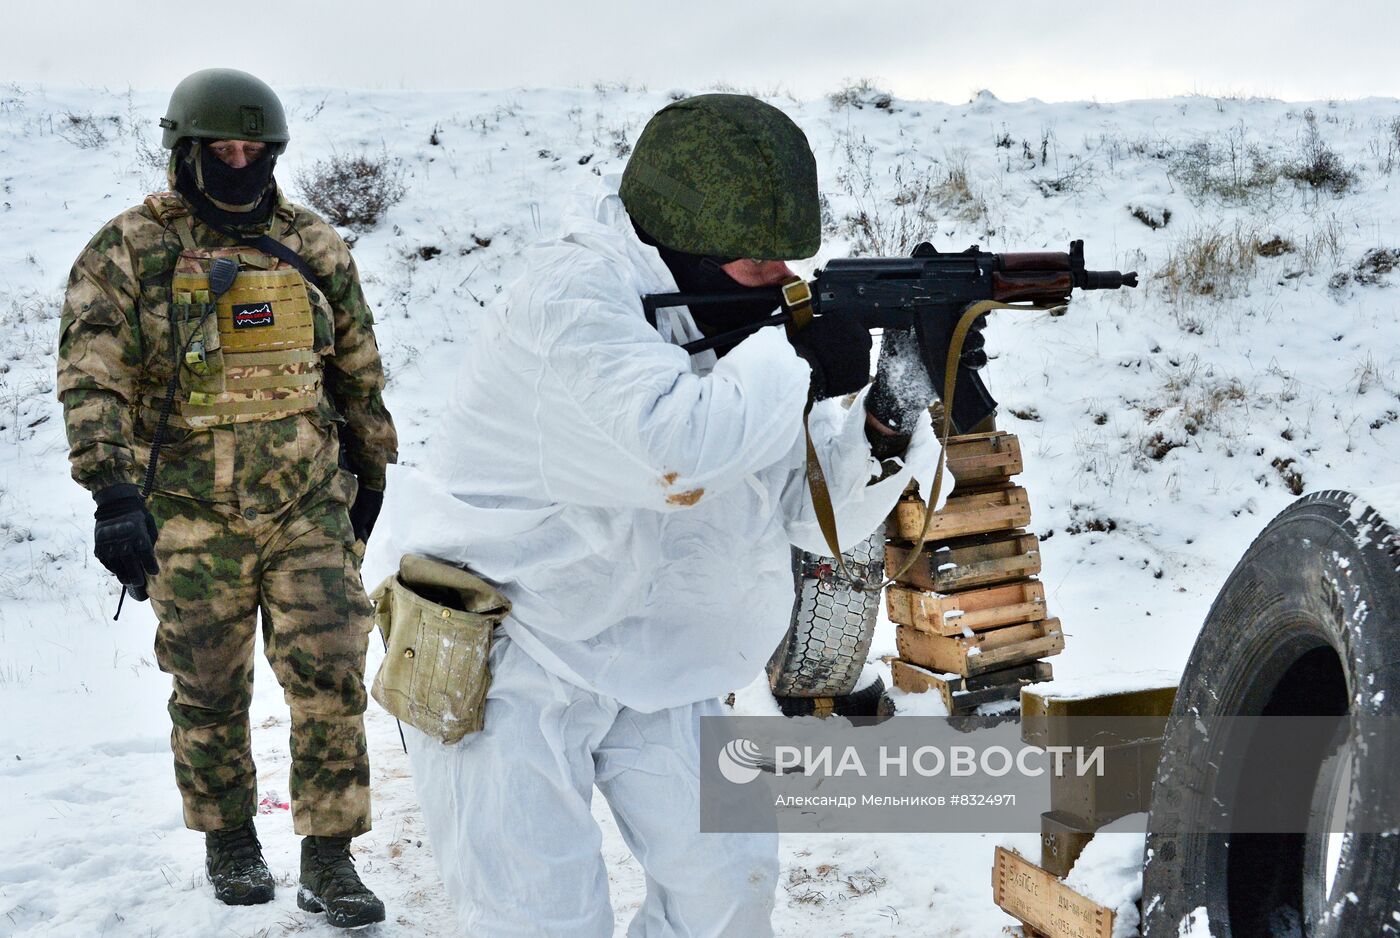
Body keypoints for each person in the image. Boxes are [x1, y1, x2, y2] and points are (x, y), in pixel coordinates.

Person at [365, 93, 938, 936]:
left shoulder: (737, 327)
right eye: (757, 265)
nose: (783, 283)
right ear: (686, 246)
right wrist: (796, 360)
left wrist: (888, 412)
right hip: (513, 657)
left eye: (789, 262)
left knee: (728, 895)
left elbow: (803, 508)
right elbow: (675, 447)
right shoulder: (572, 298)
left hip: (665, 655)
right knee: (539, 918)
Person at [56, 68, 397, 929]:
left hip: (305, 502)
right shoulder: (129, 248)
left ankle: (330, 855)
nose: (240, 162)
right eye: (223, 149)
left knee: (330, 677)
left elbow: (356, 364)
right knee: (207, 688)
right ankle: (230, 839)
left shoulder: (312, 244)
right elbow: (90, 377)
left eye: (255, 149)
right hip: (188, 511)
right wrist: (113, 494)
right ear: (187, 151)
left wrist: (373, 473)